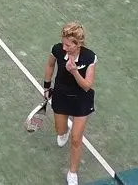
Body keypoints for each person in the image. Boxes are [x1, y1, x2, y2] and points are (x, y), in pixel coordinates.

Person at [42, 22, 97, 185]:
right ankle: (64, 130)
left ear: (78, 44)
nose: (64, 47)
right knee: (60, 130)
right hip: (61, 95)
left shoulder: (89, 57)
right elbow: (50, 65)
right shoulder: (57, 50)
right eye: (63, 43)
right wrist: (46, 86)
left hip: (81, 100)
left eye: (68, 44)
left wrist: (74, 71)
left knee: (76, 139)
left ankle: (72, 172)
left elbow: (87, 86)